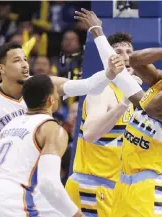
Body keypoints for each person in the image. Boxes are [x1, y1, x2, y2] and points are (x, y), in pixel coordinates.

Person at [74, 8, 162, 217]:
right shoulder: (160, 82)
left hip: (149, 189)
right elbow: (134, 60)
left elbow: (150, 107)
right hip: (122, 184)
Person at [0, 42, 122, 175]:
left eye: (25, 59)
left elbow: (85, 86)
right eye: (17, 61)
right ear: (1, 69)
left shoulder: (43, 83)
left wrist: (109, 72)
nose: (25, 65)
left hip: (41, 166)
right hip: (10, 171)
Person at [0, 75, 84, 217]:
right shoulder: (52, 129)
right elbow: (48, 184)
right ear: (51, 99)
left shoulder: (10, 124)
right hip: (9, 201)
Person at [65, 32, 136, 217]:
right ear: (108, 58)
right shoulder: (102, 90)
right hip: (92, 186)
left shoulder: (131, 94)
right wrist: (124, 104)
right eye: (118, 51)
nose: (126, 56)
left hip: (113, 186)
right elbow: (89, 133)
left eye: (129, 51)